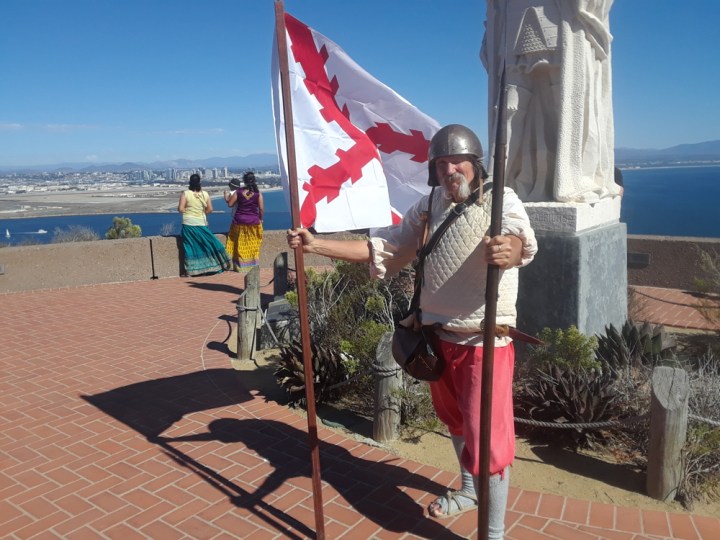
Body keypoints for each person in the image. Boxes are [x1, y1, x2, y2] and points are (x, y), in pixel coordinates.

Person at [287, 125, 537, 538]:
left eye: (456, 161)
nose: (448, 169)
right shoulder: (427, 207)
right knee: (454, 421)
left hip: (482, 343)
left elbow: (519, 240)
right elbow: (385, 248)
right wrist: (316, 246)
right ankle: (470, 490)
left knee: (489, 445)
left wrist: (507, 250)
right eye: (441, 163)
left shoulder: (501, 200)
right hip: (436, 341)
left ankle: (492, 534)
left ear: (475, 165)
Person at [481, 0, 621, 203]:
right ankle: (498, 179)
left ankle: (568, 174)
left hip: (558, 20)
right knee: (508, 107)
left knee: (565, 103)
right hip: (513, 19)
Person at [178, 173, 230, 276]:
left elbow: (180, 209)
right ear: (199, 183)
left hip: (188, 224)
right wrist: (200, 213)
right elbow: (210, 209)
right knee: (209, 243)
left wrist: (189, 212)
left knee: (190, 246)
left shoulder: (185, 194)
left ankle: (192, 270)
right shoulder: (205, 194)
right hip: (201, 223)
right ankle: (219, 263)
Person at [224, 172, 264, 271]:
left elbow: (230, 204)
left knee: (238, 243)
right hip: (253, 222)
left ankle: (240, 266)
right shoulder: (257, 193)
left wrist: (226, 197)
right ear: (254, 180)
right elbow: (261, 208)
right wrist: (260, 219)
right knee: (253, 244)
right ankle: (252, 265)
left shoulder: (239, 192)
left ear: (244, 181)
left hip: (239, 221)